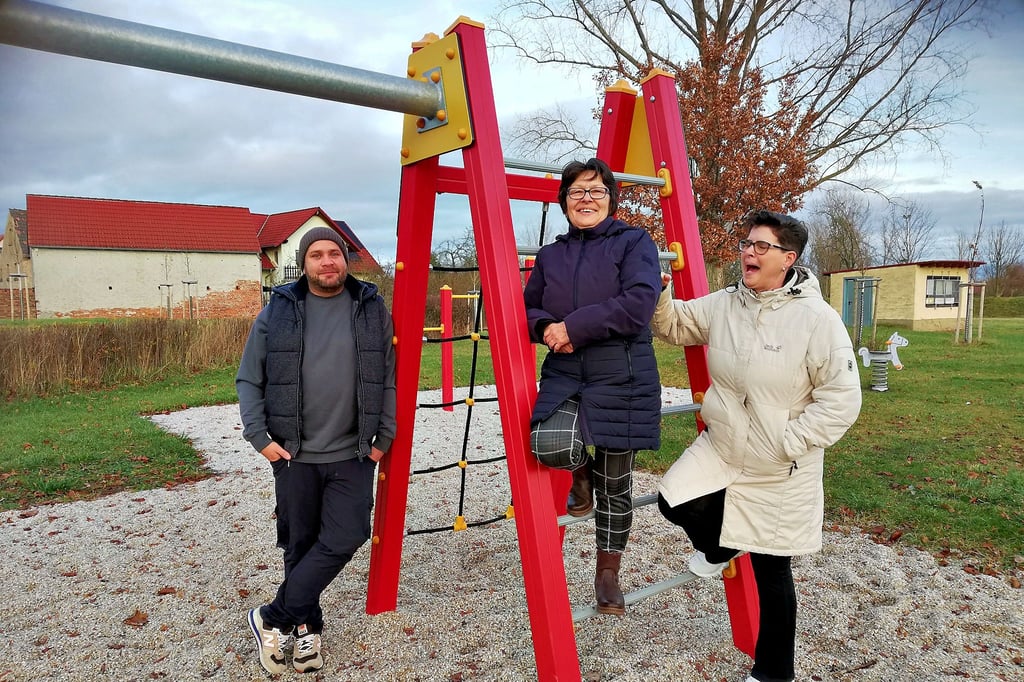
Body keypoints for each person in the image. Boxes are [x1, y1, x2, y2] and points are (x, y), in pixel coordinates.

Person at [650, 210, 862, 682]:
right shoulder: (728, 303)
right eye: (747, 243)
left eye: (761, 246)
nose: (749, 251)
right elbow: (677, 325)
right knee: (673, 500)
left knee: (771, 569)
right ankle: (720, 547)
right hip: (724, 445)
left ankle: (773, 672)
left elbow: (842, 400)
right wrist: (659, 292)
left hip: (779, 464)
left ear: (788, 259)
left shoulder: (817, 320)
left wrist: (789, 442)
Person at [236, 226, 396, 675]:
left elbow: (388, 377)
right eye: (317, 254)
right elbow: (249, 378)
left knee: (348, 535)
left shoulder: (371, 309)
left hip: (353, 452)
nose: (328, 261)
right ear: (303, 263)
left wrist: (383, 439)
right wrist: (260, 438)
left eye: (335, 253)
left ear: (346, 260)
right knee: (300, 544)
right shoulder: (278, 312)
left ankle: (270, 617)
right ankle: (307, 630)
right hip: (294, 454)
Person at [523, 157, 663, 616]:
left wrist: (574, 327)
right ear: (565, 201)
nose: (586, 198)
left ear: (610, 200)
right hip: (566, 369)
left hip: (623, 372)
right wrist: (545, 327)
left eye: (596, 190)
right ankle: (582, 474)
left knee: (617, 485)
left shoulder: (633, 242)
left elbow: (639, 303)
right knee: (547, 443)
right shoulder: (551, 255)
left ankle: (607, 572)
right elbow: (528, 307)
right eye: (577, 191)